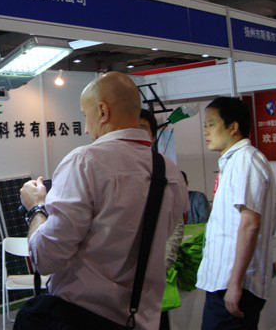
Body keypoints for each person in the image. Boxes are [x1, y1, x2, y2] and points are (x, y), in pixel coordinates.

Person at [19, 72, 188, 329]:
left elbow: (45, 258)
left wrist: (36, 208)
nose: (87, 129)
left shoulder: (85, 162)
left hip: (80, 318)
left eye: (85, 115)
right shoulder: (170, 172)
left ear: (102, 111)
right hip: (141, 319)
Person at [196, 97, 276, 330]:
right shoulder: (233, 162)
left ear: (233, 127)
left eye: (211, 124)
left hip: (234, 284)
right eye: (204, 125)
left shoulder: (245, 161)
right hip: (225, 281)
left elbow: (250, 224)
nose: (205, 131)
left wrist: (234, 284)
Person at [139, 109, 185, 330]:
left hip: (152, 278)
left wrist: (160, 265)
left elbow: (175, 223)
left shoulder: (166, 169)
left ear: (153, 136)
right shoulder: (110, 168)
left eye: (142, 130)